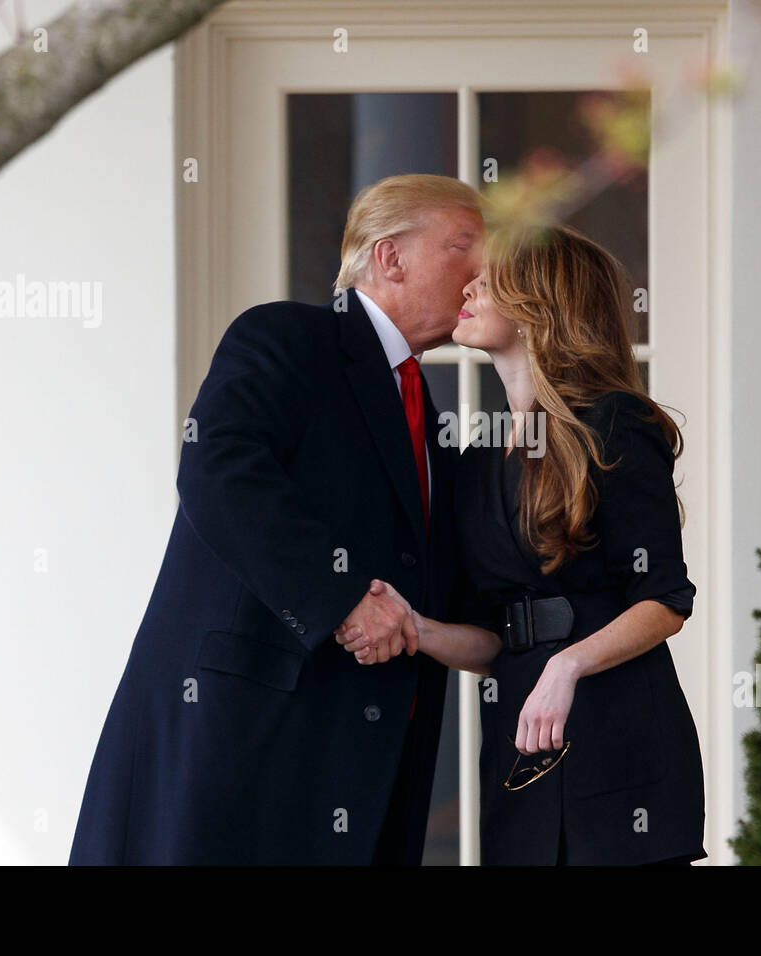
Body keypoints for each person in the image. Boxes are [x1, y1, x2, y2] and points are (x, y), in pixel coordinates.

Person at [68, 173, 485, 864]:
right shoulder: (287, 336)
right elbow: (218, 470)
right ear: (390, 257)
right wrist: (341, 600)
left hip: (361, 765)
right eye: (462, 246)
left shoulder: (424, 408)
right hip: (244, 745)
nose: (481, 272)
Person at [339, 223, 707, 865]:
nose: (470, 285)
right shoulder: (477, 463)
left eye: (493, 275)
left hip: (621, 744)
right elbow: (491, 637)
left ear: (541, 300)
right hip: (519, 748)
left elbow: (666, 600)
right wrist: (416, 629)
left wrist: (565, 666)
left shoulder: (614, 423)